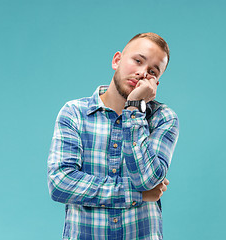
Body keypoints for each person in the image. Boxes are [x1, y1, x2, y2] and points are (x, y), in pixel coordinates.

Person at [47, 32, 179, 240]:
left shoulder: (163, 118)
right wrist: (135, 195)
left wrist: (134, 108)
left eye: (152, 72)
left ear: (155, 84)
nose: (142, 73)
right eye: (138, 61)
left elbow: (147, 181)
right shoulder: (74, 113)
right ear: (117, 60)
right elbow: (61, 183)